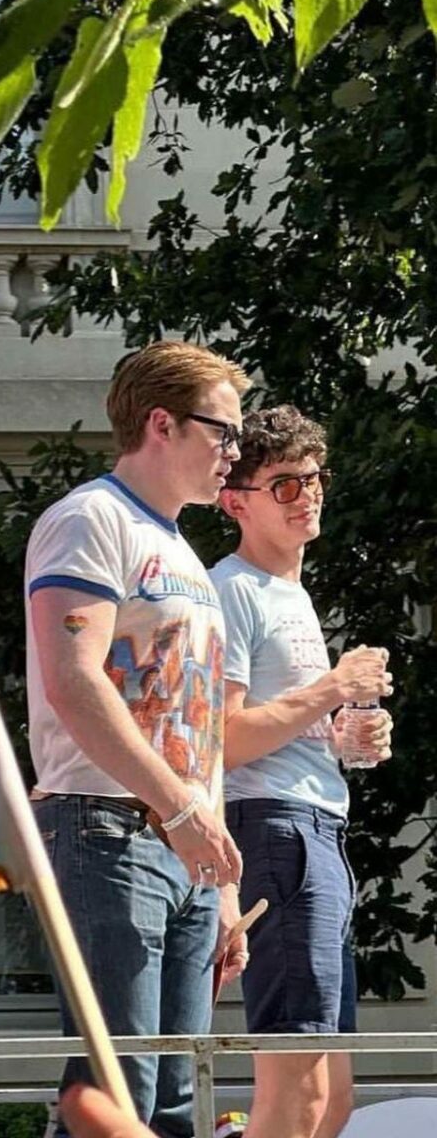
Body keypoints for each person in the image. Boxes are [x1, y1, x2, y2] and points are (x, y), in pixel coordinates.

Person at [26, 342, 251, 1137]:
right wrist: (182, 815)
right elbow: (74, 681)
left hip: (180, 844)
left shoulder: (187, 554)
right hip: (106, 826)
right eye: (223, 430)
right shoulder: (91, 520)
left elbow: (202, 727)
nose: (235, 450)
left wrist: (220, 880)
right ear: (162, 423)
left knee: (176, 1099)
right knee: (118, 1092)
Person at [210, 405, 393, 1138]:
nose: (308, 494)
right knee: (298, 1095)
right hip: (274, 828)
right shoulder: (232, 590)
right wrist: (332, 689)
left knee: (334, 1096)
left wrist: (352, 733)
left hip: (316, 828)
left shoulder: (291, 595)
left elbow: (292, 728)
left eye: (314, 478)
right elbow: (218, 741)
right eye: (285, 483)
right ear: (236, 501)